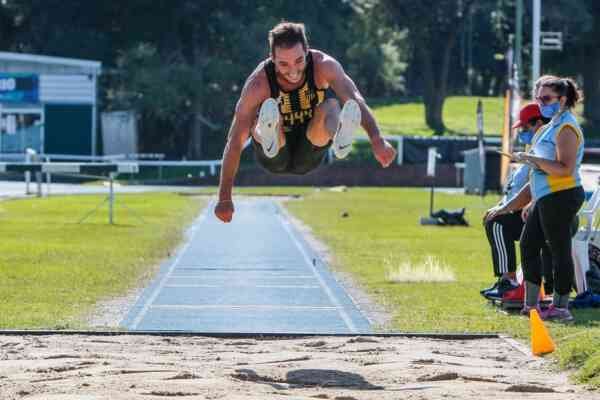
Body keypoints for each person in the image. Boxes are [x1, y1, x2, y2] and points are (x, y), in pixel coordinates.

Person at [214, 22, 397, 223]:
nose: (293, 70)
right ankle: (268, 133)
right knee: (264, 114)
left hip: (310, 146)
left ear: (307, 51)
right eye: (283, 64)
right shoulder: (259, 84)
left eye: (299, 60)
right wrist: (224, 197)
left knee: (331, 105)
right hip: (275, 155)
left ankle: (339, 136)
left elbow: (355, 98)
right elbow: (236, 141)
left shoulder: (324, 66)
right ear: (272, 58)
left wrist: (376, 138)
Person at [485, 77, 585, 322]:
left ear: (562, 99)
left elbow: (564, 169)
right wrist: (507, 207)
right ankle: (531, 305)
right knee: (529, 244)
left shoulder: (567, 128)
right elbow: (535, 179)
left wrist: (532, 160)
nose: (541, 103)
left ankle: (561, 307)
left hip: (562, 196)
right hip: (545, 197)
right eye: (538, 98)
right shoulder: (546, 128)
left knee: (559, 249)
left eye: (547, 99)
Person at [481, 103, 552, 299]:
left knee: (495, 222)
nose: (521, 133)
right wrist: (501, 206)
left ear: (538, 123)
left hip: (541, 215)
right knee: (494, 219)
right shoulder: (536, 148)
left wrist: (503, 209)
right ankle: (507, 279)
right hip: (531, 212)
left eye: (524, 128)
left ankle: (509, 280)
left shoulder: (544, 149)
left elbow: (532, 190)